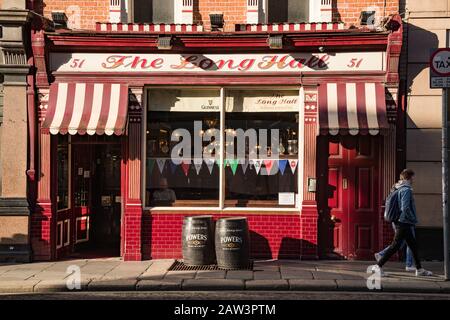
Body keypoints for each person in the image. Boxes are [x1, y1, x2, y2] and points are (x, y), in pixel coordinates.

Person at [368, 169, 433, 277]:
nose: (414, 180)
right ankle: (377, 266)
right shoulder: (406, 190)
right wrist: (412, 219)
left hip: (402, 222)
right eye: (413, 177)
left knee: (412, 245)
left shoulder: (397, 188)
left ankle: (419, 269)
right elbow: (405, 208)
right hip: (403, 223)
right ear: (409, 177)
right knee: (396, 245)